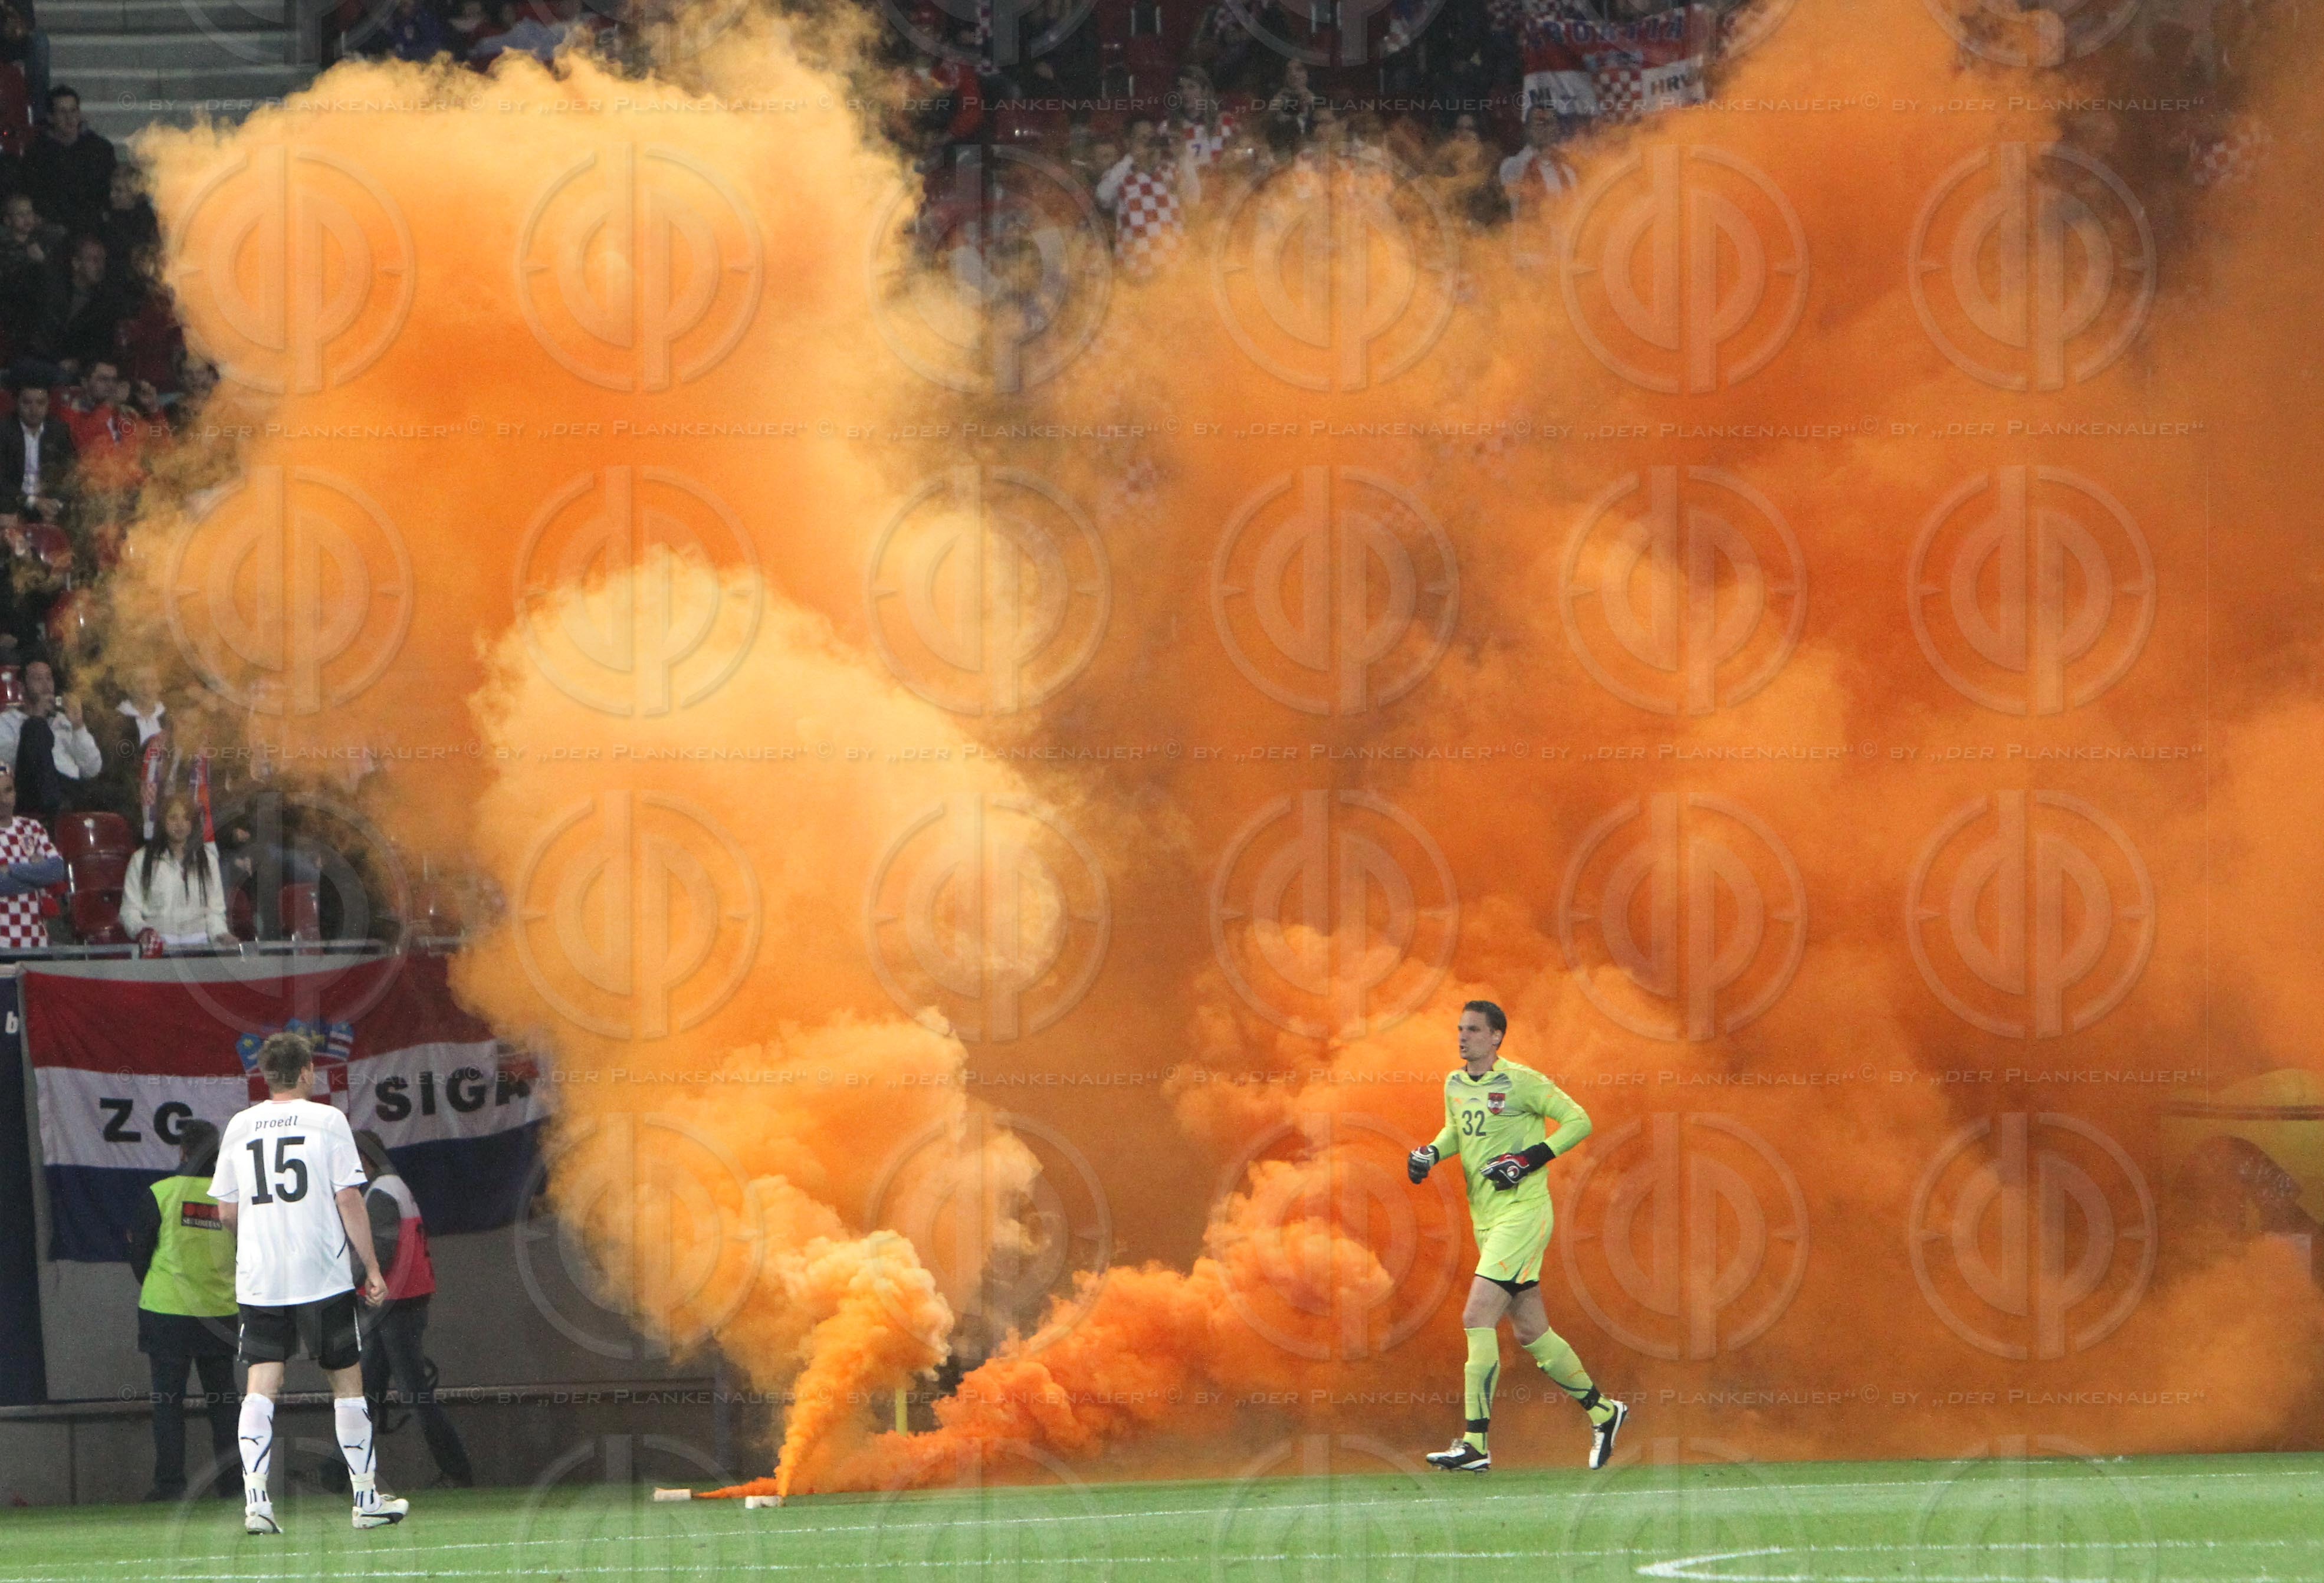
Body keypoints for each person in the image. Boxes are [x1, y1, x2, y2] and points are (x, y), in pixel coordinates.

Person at [1407, 1000, 1626, 1472]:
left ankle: (1475, 1444)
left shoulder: (1522, 1081)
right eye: (1460, 1028)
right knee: (1532, 1332)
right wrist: (1429, 1153)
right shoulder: (1455, 1084)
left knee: (1476, 1316)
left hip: (1523, 1216)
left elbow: (1579, 1121)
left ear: (1496, 1037)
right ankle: (1605, 1413)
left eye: (1473, 1030)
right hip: (1486, 1219)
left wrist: (1528, 1159)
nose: (1462, 1037)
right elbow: (1456, 1133)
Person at [210, 1031, 409, 1534]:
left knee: (261, 1386)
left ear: (264, 1075)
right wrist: (372, 1267)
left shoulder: (239, 1125)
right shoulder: (327, 1120)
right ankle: (365, 1498)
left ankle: (257, 1503)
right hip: (321, 1274)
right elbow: (348, 1200)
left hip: (261, 1278)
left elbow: (226, 1211)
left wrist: (253, 1242)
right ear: (305, 1073)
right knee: (346, 1383)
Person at [353, 1130, 474, 1487]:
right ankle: (335, 1474)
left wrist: (348, 1285)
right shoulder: (395, 1187)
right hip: (404, 1302)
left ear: (365, 1159)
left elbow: (382, 1254)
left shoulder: (380, 1194)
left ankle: (457, 1471)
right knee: (368, 1396)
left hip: (394, 1305)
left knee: (410, 1395)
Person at [126, 1118, 238, 1502]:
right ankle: (233, 1485)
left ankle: (171, 1486)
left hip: (167, 1312)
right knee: (224, 1405)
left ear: (183, 1152)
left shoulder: (161, 1193)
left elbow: (139, 1254)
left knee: (168, 1405)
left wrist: (163, 1286)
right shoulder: (232, 1198)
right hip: (220, 1314)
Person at [121, 794, 229, 948]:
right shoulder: (141, 859)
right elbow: (129, 910)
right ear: (163, 821)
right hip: (158, 945)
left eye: (186, 818)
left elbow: (215, 911)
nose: (180, 824)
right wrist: (144, 931)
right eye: (173, 818)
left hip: (201, 945)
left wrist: (221, 935)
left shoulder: (208, 860)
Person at [0, 657, 101, 817]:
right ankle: (54, 811)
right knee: (34, 728)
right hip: (34, 793)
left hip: (70, 791)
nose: (46, 685)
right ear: (22, 687)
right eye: (38, 679)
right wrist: (38, 718)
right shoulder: (6, 722)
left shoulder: (64, 720)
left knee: (117, 792)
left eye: (49, 678)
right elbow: (10, 765)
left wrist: (78, 727)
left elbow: (92, 769)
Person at [20, 86, 116, 239]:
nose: (70, 118)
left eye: (73, 111)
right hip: (54, 227)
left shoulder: (100, 149)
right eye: (62, 112)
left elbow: (107, 191)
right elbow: (35, 194)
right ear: (51, 117)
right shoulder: (37, 153)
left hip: (93, 226)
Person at [0, 764, 63, 947]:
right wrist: (36, 873)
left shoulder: (32, 827)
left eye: (8, 790)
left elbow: (56, 870)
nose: (3, 800)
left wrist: (10, 868)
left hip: (37, 942)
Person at [0, 380, 74, 522]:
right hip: (14, 503)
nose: (34, 410)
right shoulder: (4, 431)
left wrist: (56, 504)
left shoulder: (59, 431)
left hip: (49, 502)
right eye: (27, 403)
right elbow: (2, 482)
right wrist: (33, 501)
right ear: (17, 403)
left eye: (40, 403)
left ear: (48, 404)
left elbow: (70, 473)